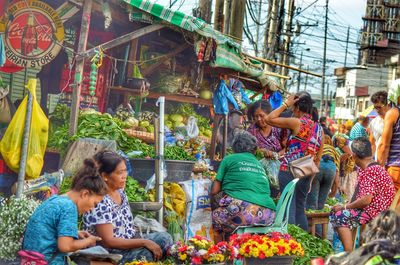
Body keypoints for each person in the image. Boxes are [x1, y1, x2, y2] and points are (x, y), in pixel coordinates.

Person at [83, 150, 172, 264]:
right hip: (110, 254)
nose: (124, 176)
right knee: (147, 254)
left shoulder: (120, 191)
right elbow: (108, 241)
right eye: (120, 173)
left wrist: (142, 240)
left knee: (165, 238)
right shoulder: (99, 200)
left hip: (127, 244)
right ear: (105, 176)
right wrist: (144, 242)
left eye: (125, 171)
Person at [23, 159, 108, 265]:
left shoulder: (56, 200)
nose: (92, 208)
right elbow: (65, 246)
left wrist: (74, 233)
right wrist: (89, 241)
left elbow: (48, 231)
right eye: (94, 204)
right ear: (85, 194)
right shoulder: (69, 207)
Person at [265, 92, 323, 231]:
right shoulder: (319, 129)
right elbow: (318, 158)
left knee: (288, 205)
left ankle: (290, 240)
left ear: (297, 108)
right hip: (307, 172)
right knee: (300, 207)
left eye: (292, 109)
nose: (292, 112)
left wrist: (286, 104)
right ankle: (301, 241)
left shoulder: (297, 122)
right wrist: (310, 180)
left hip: (289, 170)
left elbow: (269, 119)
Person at [330, 137, 395, 252]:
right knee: (337, 212)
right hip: (371, 210)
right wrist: (346, 205)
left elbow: (366, 200)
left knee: (339, 216)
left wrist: (345, 207)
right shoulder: (368, 168)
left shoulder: (371, 170)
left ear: (354, 156)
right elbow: (359, 194)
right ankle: (346, 251)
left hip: (376, 213)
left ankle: (348, 254)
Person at [211, 131, 276, 242]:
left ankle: (221, 252)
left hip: (244, 214)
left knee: (216, 216)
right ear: (254, 149)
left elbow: (214, 190)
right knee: (231, 207)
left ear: (234, 147)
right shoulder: (259, 164)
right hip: (268, 215)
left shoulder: (228, 159)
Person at [307, 135, 340, 210]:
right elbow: (337, 176)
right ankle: (319, 216)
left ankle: (310, 215)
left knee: (312, 198)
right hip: (331, 169)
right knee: (322, 200)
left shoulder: (317, 146)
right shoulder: (335, 151)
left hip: (318, 167)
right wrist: (334, 191)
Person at [377, 91, 400, 191]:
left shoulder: (393, 113)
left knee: (392, 204)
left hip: (396, 168)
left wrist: (378, 169)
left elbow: (384, 145)